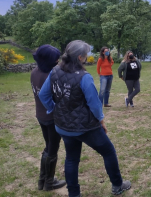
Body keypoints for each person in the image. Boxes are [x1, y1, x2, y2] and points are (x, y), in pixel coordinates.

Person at [39, 40, 131, 197]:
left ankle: (74, 194)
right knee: (108, 151)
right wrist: (101, 119)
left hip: (63, 126)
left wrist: (54, 109)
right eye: (87, 55)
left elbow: (43, 94)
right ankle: (117, 185)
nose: (88, 57)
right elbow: (95, 105)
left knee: (72, 158)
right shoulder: (84, 77)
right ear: (80, 57)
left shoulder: (55, 71)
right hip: (86, 127)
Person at [30, 45, 66, 191]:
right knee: (52, 149)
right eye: (55, 59)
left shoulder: (34, 72)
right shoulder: (51, 76)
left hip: (40, 115)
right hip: (52, 117)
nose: (58, 61)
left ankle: (42, 180)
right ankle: (49, 182)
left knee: (48, 146)